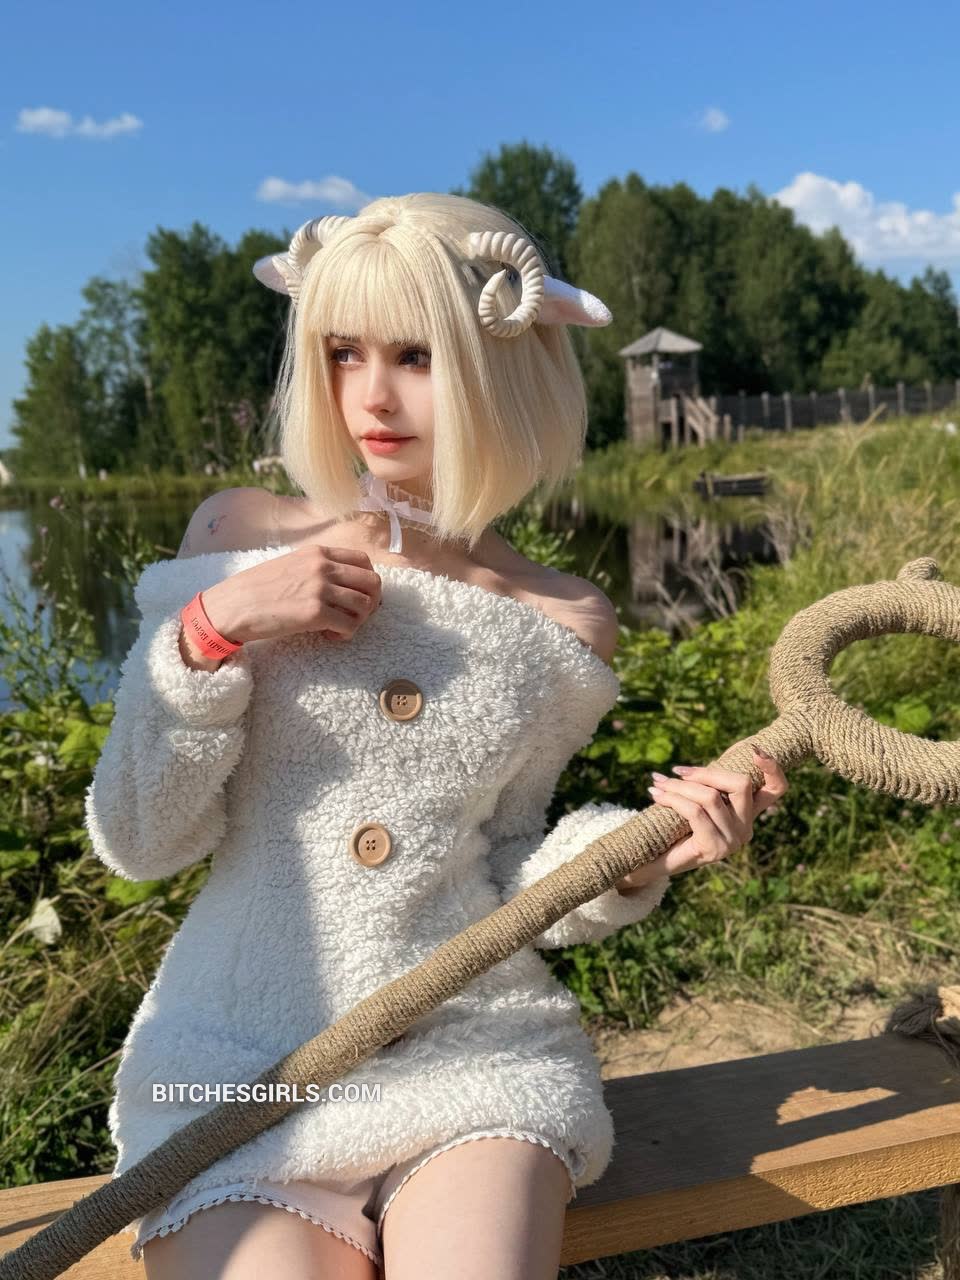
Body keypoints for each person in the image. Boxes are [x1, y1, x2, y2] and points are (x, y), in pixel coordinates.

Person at [84, 192, 788, 1280]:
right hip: (230, 1062)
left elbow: (505, 863)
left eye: (415, 355)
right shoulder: (237, 535)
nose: (371, 395)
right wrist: (212, 629)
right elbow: (140, 838)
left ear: (500, 365)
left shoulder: (563, 616)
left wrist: (633, 857)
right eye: (343, 351)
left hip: (472, 1053)